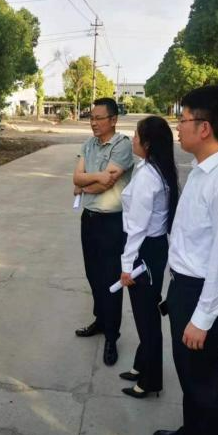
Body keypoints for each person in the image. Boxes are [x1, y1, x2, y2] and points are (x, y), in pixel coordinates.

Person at [154, 86, 218, 435]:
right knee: (190, 376)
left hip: (202, 294)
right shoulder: (201, 171)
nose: (177, 127)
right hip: (184, 288)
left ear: (204, 128)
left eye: (182, 120)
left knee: (203, 382)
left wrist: (202, 318)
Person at [118, 116, 179, 398]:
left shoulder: (147, 177)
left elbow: (138, 227)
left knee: (147, 320)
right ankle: (141, 366)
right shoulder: (153, 169)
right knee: (146, 314)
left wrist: (126, 265)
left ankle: (150, 381)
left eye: (136, 135)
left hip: (144, 251)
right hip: (153, 249)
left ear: (148, 143)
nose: (132, 139)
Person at [73, 97, 134, 366]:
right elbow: (77, 177)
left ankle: (112, 336)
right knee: (93, 274)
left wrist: (85, 185)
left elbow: (105, 184)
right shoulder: (88, 144)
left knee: (110, 280)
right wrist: (94, 178)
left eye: (99, 118)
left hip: (112, 222)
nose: (94, 123)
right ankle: (100, 320)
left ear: (113, 119)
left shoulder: (122, 145)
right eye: (91, 118)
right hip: (89, 219)